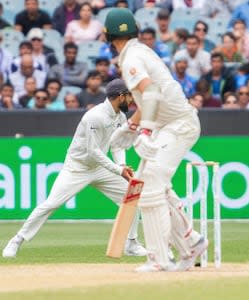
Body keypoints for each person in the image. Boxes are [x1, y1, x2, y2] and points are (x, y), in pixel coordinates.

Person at [104, 8, 208, 272]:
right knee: (155, 188)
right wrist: (132, 125)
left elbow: (151, 92)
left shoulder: (131, 59)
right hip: (170, 124)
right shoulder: (140, 52)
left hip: (177, 125)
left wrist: (146, 131)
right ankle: (191, 243)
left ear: (107, 35)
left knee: (150, 186)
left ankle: (159, 259)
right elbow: (148, 97)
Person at [2, 79, 147, 258]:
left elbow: (117, 145)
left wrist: (122, 165)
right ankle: (17, 240)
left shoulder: (121, 116)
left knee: (132, 197)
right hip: (77, 168)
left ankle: (131, 243)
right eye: (129, 96)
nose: (132, 100)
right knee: (51, 204)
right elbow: (92, 151)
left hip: (101, 168)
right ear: (120, 96)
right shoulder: (94, 116)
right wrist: (118, 170)